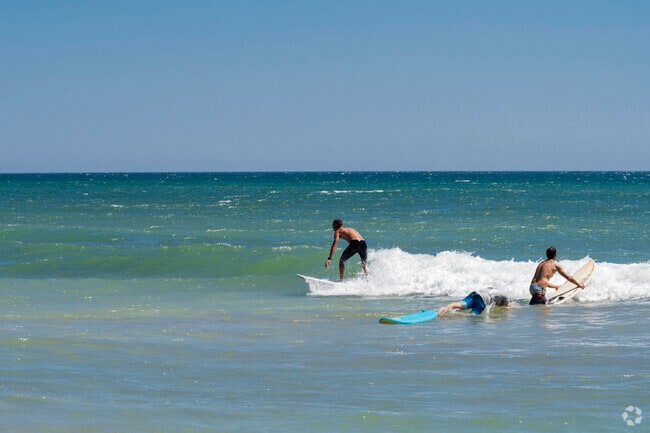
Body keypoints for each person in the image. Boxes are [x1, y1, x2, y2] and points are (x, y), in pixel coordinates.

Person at [437, 288, 511, 316]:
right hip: (481, 301)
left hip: (474, 294)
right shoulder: (505, 295)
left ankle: (443, 310)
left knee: (458, 305)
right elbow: (508, 306)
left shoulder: (491, 288)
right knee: (471, 316)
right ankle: (453, 318)